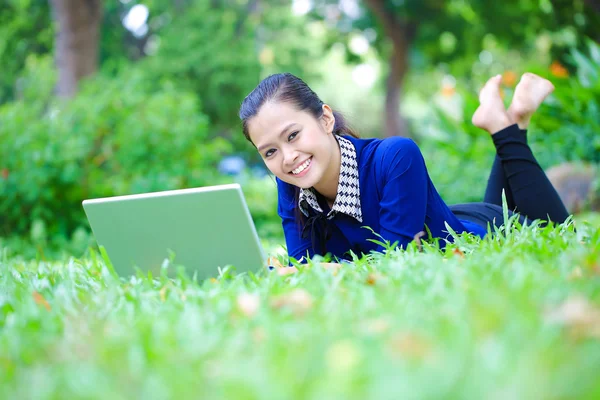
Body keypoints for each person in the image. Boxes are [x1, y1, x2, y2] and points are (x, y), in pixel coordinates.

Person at [238, 72, 570, 266]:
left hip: (481, 236)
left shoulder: (396, 155)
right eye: (270, 151)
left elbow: (394, 260)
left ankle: (509, 124)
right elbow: (305, 267)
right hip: (449, 221)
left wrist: (323, 273)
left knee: (561, 234)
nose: (288, 157)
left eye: (293, 135)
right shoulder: (292, 183)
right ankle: (508, 122)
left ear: (325, 119)